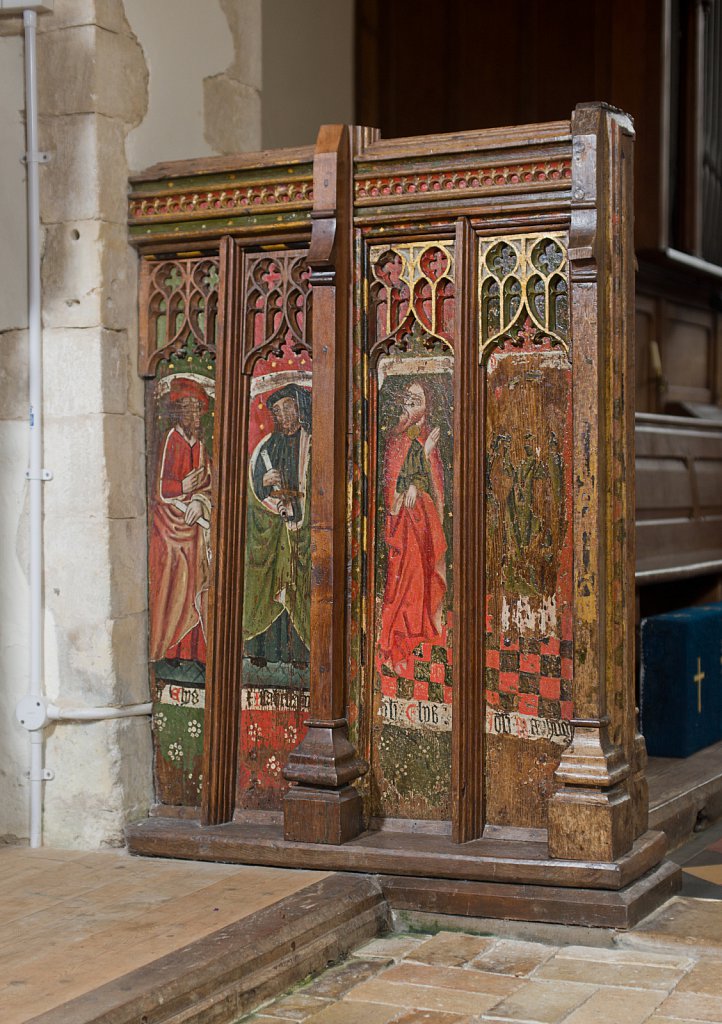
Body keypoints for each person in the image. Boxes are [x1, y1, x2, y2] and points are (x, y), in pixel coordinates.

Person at [378, 379, 447, 675]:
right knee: (404, 578)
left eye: (417, 400)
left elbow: (434, 482)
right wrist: (422, 457)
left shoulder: (427, 435)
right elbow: (393, 482)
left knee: (421, 575)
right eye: (407, 398)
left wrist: (419, 481)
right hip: (403, 525)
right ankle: (398, 636)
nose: (410, 404)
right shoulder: (397, 438)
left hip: (422, 522)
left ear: (427, 406)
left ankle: (418, 628)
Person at [243, 383, 312, 670]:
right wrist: (265, 483)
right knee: (267, 582)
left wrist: (300, 511)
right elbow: (253, 490)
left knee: (299, 585)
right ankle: (262, 649)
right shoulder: (268, 447)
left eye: (287, 408)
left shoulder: (312, 444)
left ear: (299, 408)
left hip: (303, 528)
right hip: (273, 528)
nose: (283, 415)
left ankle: (301, 652)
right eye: (277, 411)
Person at [148, 377, 212, 665]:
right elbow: (161, 488)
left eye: (196, 409)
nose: (193, 415)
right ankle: (167, 648)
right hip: (167, 528)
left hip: (192, 526)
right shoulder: (171, 440)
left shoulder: (200, 446)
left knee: (194, 584)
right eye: (187, 409)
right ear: (178, 413)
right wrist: (183, 488)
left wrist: (199, 500)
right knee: (172, 586)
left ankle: (192, 650)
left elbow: (208, 483)